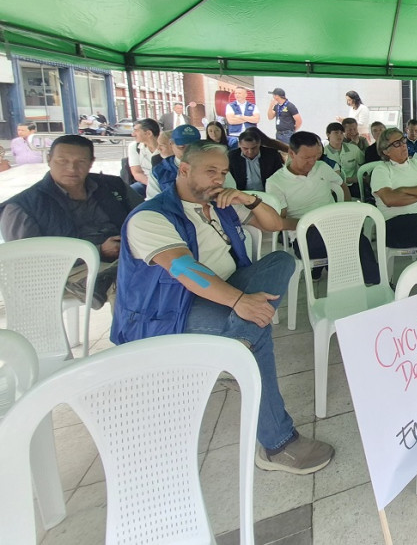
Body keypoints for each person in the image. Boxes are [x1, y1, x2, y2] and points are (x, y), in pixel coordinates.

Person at [111, 142, 334, 475]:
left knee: (281, 260)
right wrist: (240, 301)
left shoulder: (219, 203)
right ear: (184, 170)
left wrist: (251, 199)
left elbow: (275, 225)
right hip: (172, 310)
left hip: (227, 288)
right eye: (210, 171)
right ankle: (278, 445)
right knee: (258, 332)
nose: (219, 179)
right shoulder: (151, 217)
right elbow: (185, 270)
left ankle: (236, 343)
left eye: (224, 172)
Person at [0, 135, 142, 309]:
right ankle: (132, 336)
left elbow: (145, 216)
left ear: (91, 162)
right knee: (129, 281)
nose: (71, 168)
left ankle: (167, 332)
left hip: (123, 256)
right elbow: (29, 262)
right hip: (65, 272)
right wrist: (98, 251)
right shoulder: (23, 206)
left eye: (81, 161)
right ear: (49, 159)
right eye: (62, 161)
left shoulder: (112, 186)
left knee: (161, 270)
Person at [266, 131, 379, 282]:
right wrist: (310, 223)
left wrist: (345, 208)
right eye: (306, 158)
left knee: (358, 237)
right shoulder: (276, 182)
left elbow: (342, 185)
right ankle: (365, 281)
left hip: (335, 224)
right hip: (306, 234)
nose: (312, 162)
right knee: (351, 242)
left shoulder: (322, 167)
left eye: (316, 156)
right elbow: (281, 221)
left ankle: (370, 281)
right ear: (292, 153)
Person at [371, 128, 417, 248]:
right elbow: (390, 199)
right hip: (394, 223)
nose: (403, 145)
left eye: (403, 140)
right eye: (397, 143)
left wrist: (403, 190)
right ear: (386, 151)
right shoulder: (381, 170)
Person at [148, 125, 204, 199]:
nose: (188, 151)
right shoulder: (159, 171)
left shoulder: (214, 166)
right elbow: (152, 202)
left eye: (193, 147)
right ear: (171, 144)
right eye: (181, 147)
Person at [324, 122, 364, 197]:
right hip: (333, 187)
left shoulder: (353, 149)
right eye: (336, 133)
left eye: (341, 133)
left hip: (353, 185)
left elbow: (363, 164)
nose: (339, 135)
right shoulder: (323, 153)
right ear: (328, 134)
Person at [128, 118, 159, 196]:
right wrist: (153, 186)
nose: (133, 134)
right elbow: (137, 172)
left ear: (148, 133)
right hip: (146, 182)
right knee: (130, 192)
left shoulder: (167, 146)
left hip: (167, 183)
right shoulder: (134, 147)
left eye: (136, 131)